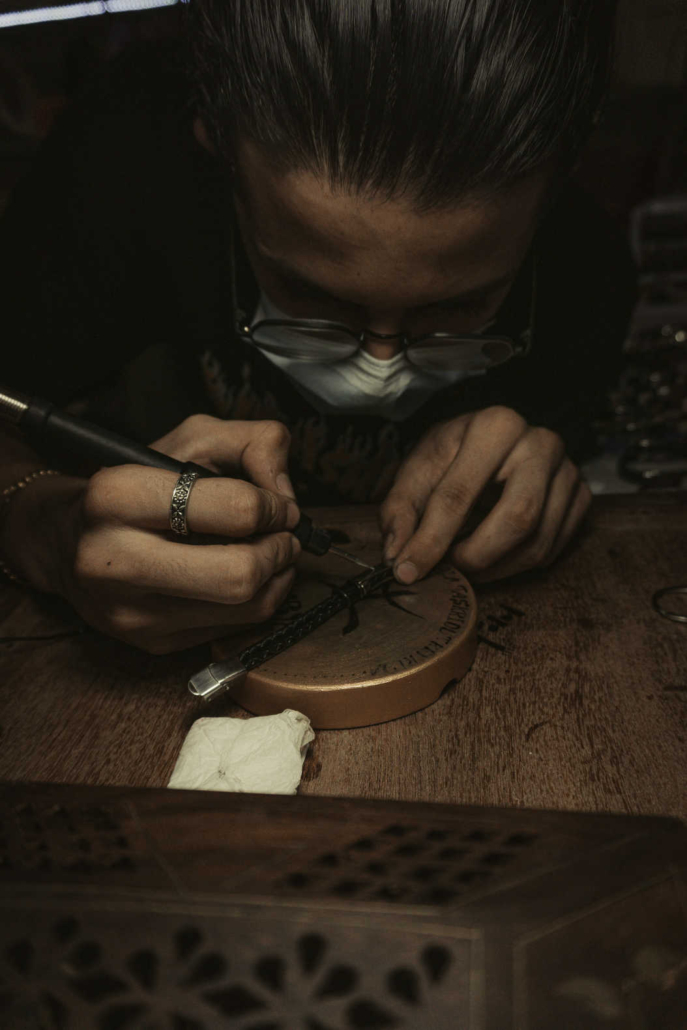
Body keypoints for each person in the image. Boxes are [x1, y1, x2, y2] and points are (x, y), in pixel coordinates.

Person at [0, 0, 635, 654]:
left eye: (454, 309)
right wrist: (43, 525)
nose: (379, 367)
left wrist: (542, 477)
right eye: (310, 296)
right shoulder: (123, 154)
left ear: (559, 182)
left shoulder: (590, 270)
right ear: (216, 145)